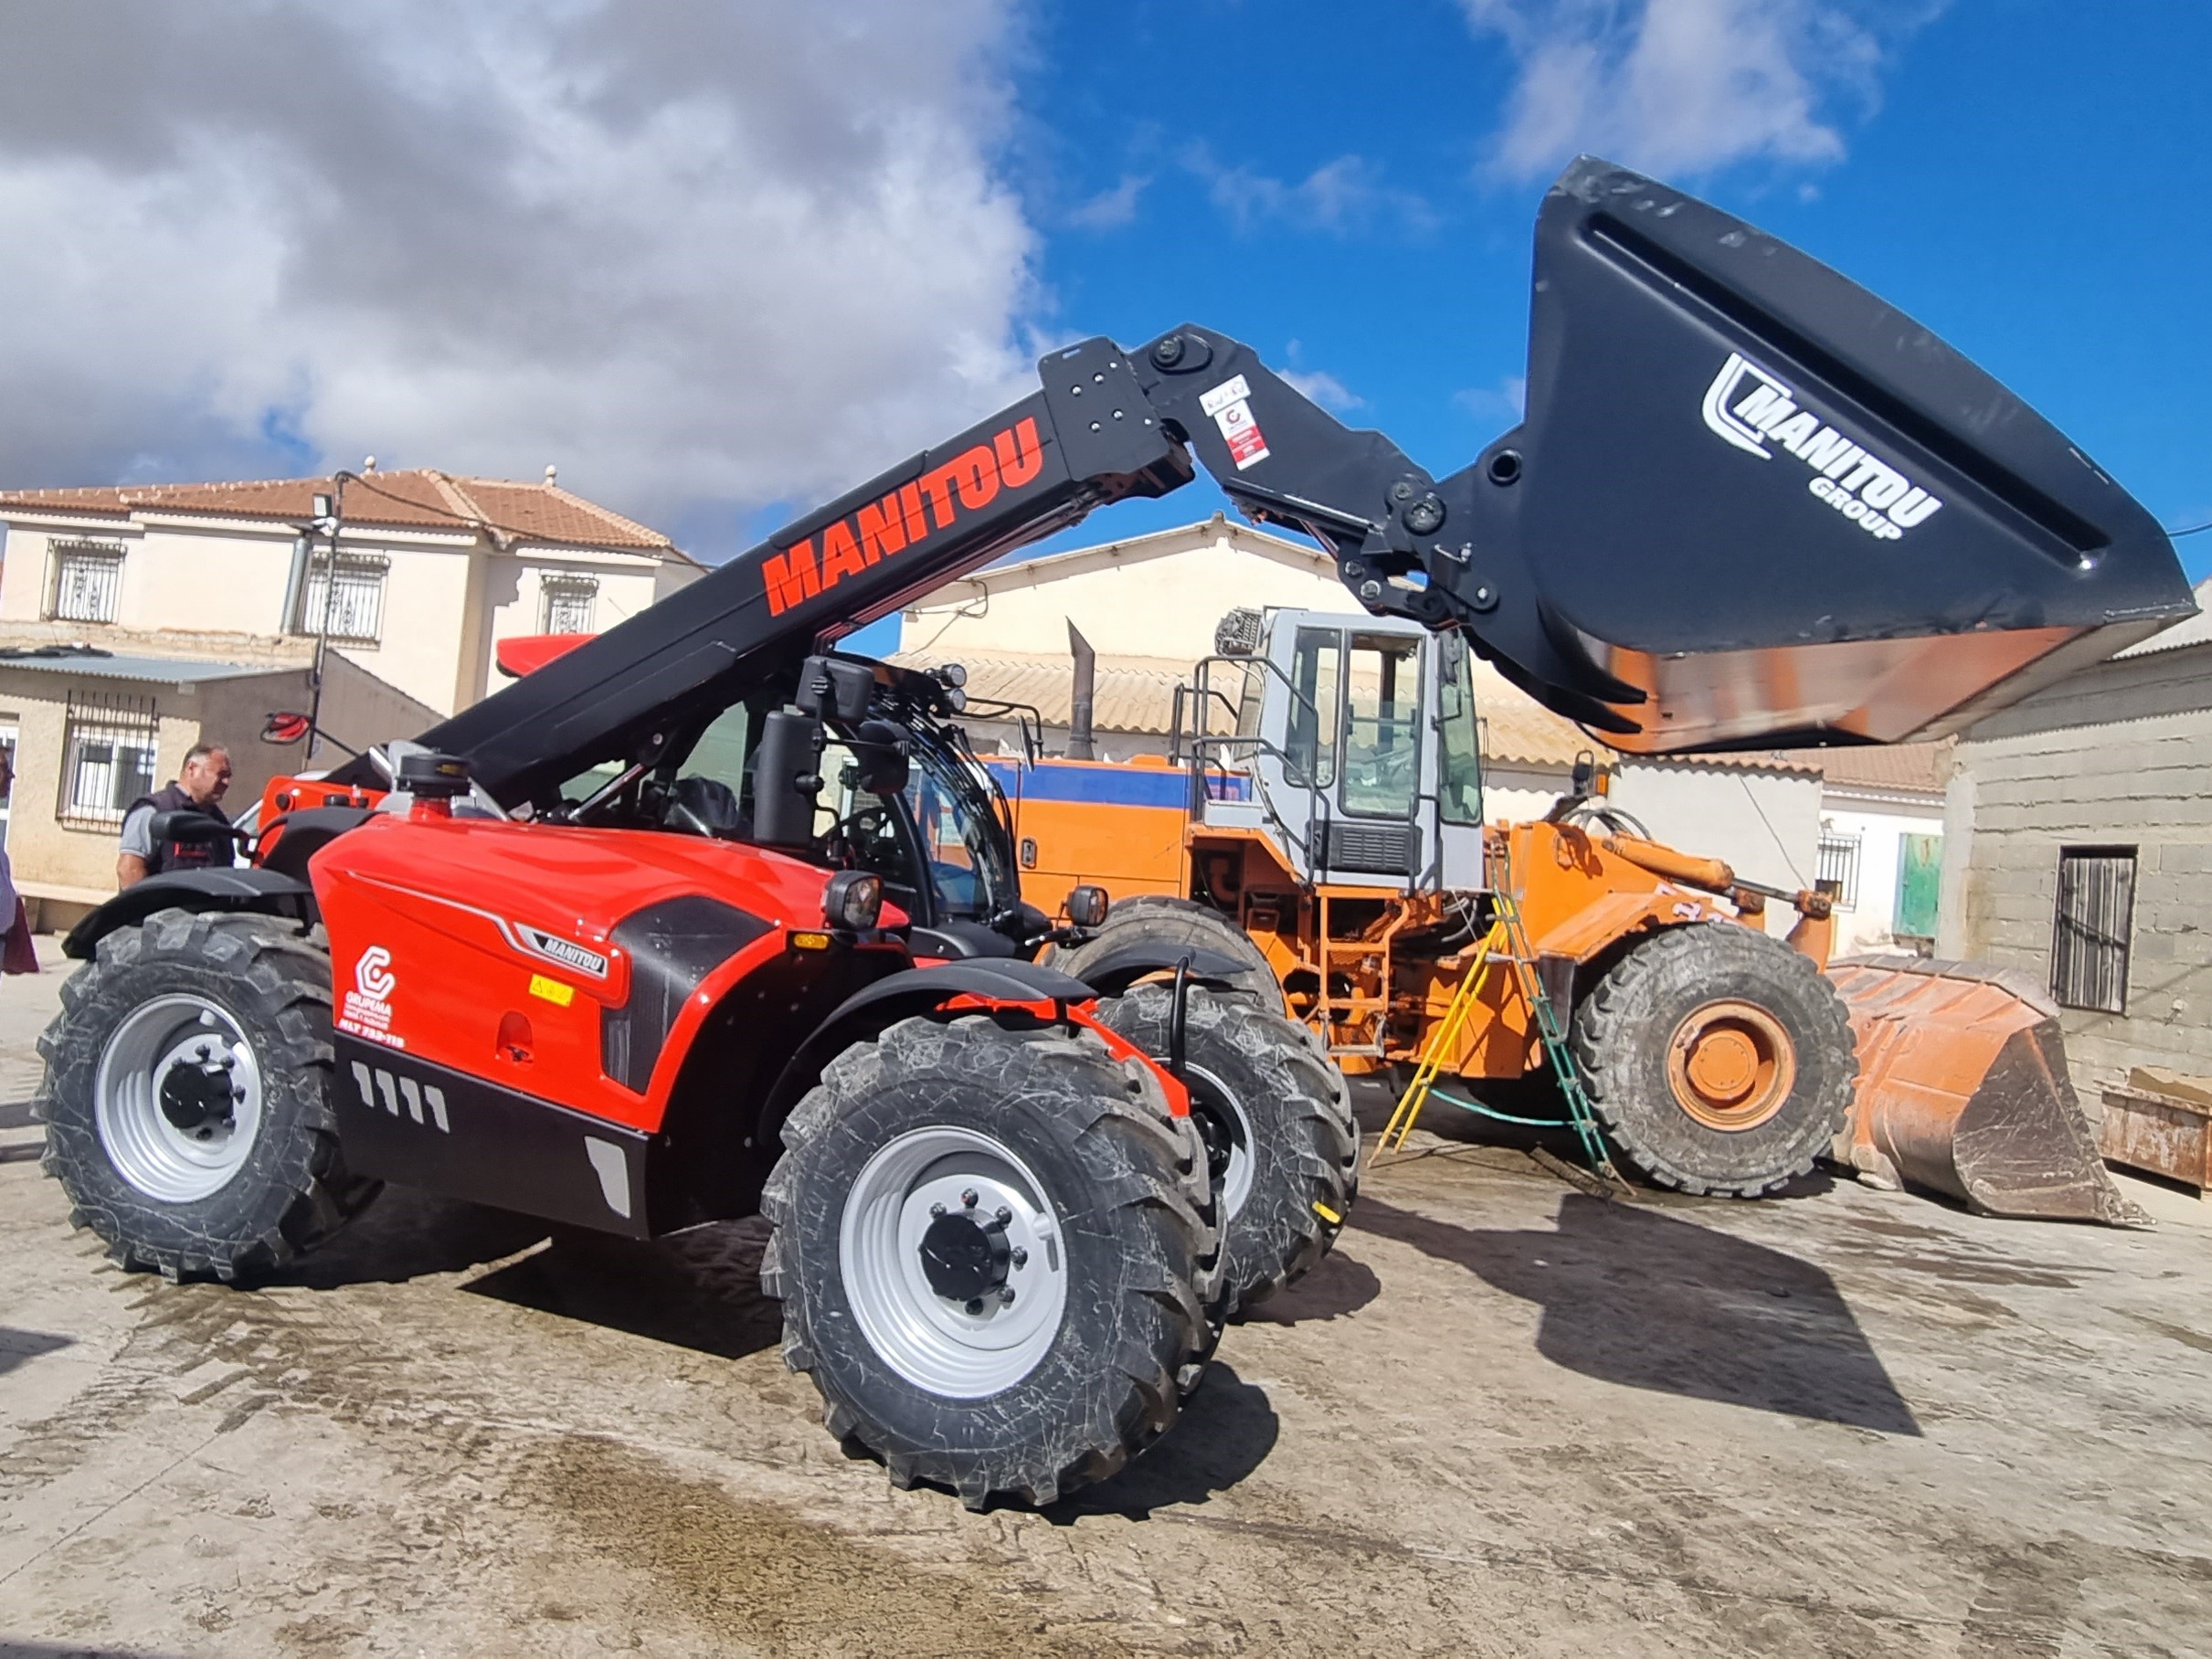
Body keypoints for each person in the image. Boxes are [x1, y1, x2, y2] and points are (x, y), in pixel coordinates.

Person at [117, 743, 234, 889]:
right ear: (192, 768)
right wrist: (147, 908)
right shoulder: (154, 811)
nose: (226, 782)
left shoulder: (219, 822)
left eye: (228, 776)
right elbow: (129, 870)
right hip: (165, 910)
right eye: (221, 774)